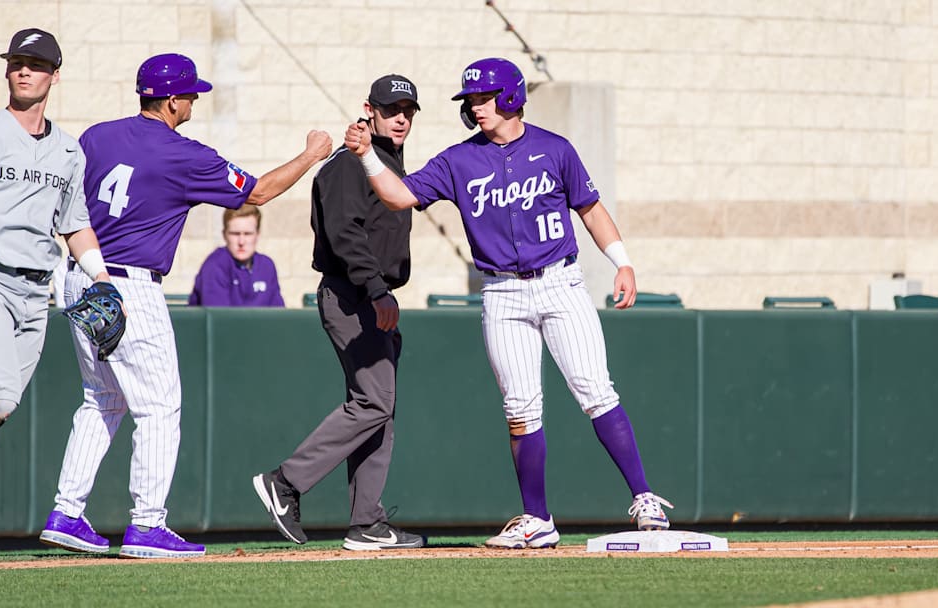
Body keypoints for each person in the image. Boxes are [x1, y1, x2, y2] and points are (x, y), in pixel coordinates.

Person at [344, 58, 672, 549]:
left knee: (595, 391)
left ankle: (644, 496)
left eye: (484, 98)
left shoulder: (554, 148)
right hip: (500, 291)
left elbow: (590, 207)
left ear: (512, 96)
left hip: (560, 282)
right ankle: (537, 518)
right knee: (520, 408)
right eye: (471, 100)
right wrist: (369, 155)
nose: (476, 107)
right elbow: (398, 196)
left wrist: (622, 262)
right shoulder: (459, 160)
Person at [37, 53, 332, 559]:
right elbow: (257, 193)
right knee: (159, 409)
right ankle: (147, 525)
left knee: (101, 401)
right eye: (191, 93)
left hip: (81, 275)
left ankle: (67, 512)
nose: (194, 99)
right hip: (130, 285)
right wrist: (311, 155)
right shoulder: (184, 154)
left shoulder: (97, 136)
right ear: (172, 100)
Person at [0, 28, 116, 574]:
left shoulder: (67, 151)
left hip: (36, 290)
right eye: (16, 62)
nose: (23, 71)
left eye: (35, 64)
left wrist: (100, 279)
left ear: (56, 74)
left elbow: (75, 226)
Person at [252, 74, 424, 551]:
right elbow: (346, 234)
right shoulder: (350, 166)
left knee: (380, 409)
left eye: (408, 109)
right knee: (373, 402)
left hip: (371, 296)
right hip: (354, 296)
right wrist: (375, 290)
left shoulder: (384, 163)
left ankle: (366, 521)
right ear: (369, 110)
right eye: (392, 109)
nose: (402, 117)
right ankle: (284, 482)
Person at [188, 204, 284, 307]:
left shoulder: (267, 266)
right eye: (235, 234)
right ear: (224, 235)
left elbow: (279, 314)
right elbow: (218, 318)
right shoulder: (214, 265)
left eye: (248, 234)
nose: (241, 241)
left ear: (257, 235)